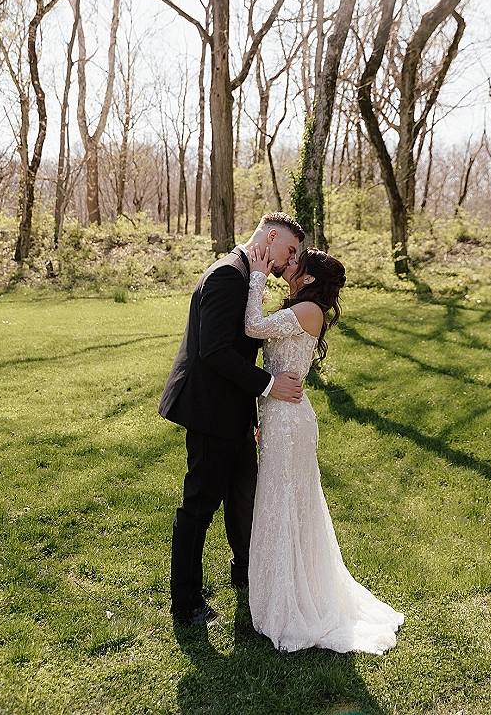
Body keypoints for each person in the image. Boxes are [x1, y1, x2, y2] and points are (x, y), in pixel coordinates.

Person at [244, 244, 404, 653]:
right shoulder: (300, 306)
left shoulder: (308, 310)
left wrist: (257, 275)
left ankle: (296, 600)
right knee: (283, 502)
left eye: (296, 261)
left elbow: (253, 327)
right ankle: (287, 587)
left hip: (291, 420)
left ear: (310, 277)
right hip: (281, 414)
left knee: (289, 504)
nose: (289, 263)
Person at [158, 212, 305, 626]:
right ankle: (186, 604)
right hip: (209, 409)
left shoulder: (246, 274)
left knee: (243, 495)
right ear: (271, 237)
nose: (288, 262)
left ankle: (245, 572)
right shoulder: (228, 275)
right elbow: (216, 351)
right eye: (289, 251)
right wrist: (269, 385)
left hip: (234, 408)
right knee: (199, 505)